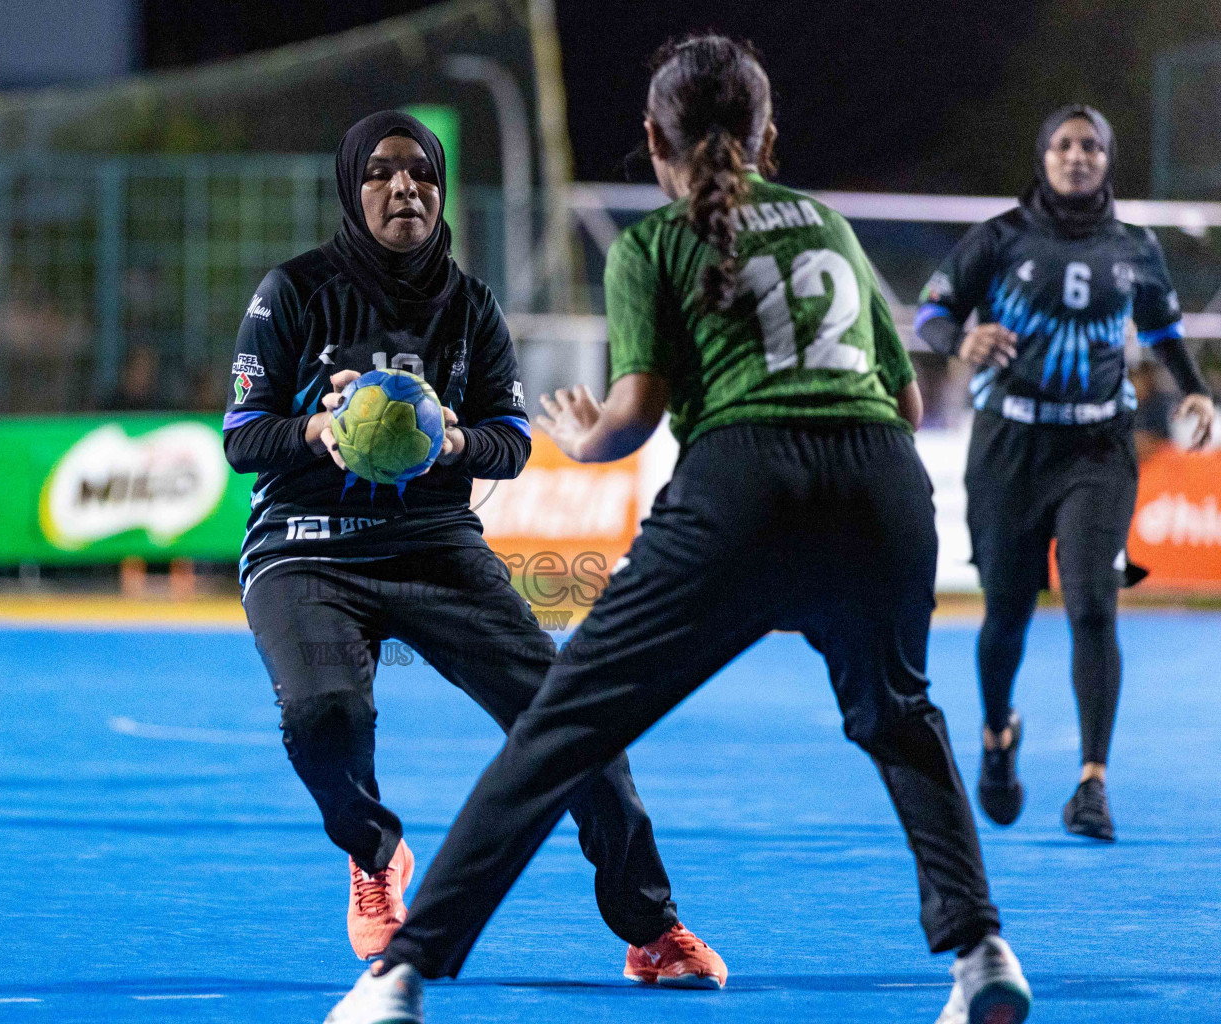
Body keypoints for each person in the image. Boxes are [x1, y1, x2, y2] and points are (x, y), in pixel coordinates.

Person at [324, 36, 1030, 1024]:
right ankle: (981, 951)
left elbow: (637, 416)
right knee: (900, 717)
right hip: (884, 484)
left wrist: (585, 432)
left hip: (742, 487)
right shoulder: (828, 224)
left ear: (653, 137)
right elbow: (908, 404)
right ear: (765, 135)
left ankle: (400, 976)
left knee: (562, 728)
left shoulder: (654, 244)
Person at [224, 110, 722, 983]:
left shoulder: (472, 305)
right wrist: (315, 430)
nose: (403, 186)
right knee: (323, 717)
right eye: (379, 171)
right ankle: (376, 857)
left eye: (420, 171)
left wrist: (455, 442)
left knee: (573, 719)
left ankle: (652, 930)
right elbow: (241, 438)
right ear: (352, 187)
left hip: (435, 546)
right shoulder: (293, 291)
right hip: (305, 548)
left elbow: (512, 439)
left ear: (441, 186)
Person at [914, 105, 1215, 842]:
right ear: (1043, 156)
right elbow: (927, 314)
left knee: (1091, 605)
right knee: (1008, 615)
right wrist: (963, 338)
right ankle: (995, 736)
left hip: (1098, 450)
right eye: (1063, 144)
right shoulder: (1000, 237)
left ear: (1108, 159)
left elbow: (1165, 329)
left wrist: (1196, 387)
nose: (1077, 156)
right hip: (1009, 448)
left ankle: (1092, 784)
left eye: (1090, 146)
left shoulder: (1135, 247)